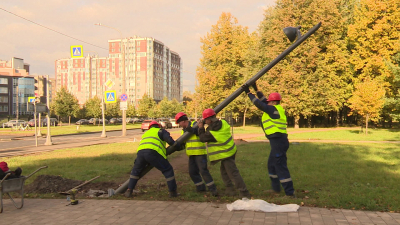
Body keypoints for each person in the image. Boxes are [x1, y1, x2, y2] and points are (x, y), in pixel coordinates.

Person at [243, 82, 295, 198]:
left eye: (269, 101)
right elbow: (263, 100)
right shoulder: (274, 108)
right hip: (278, 141)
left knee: (280, 166)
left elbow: (259, 104)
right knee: (271, 165)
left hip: (279, 142)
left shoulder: (273, 110)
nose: (267, 102)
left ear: (273, 102)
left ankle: (290, 193)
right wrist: (256, 89)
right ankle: (276, 189)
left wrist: (248, 93)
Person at [197, 108, 251, 198]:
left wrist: (201, 127)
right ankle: (230, 190)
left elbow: (202, 138)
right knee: (224, 172)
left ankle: (244, 192)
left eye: (206, 120)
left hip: (226, 153)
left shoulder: (212, 132)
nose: (205, 121)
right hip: (230, 150)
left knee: (233, 173)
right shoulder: (223, 123)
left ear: (209, 120)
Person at [125, 120, 179, 198]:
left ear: (149, 127)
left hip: (140, 153)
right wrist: (177, 145)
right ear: (159, 126)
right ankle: (173, 192)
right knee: (168, 170)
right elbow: (170, 141)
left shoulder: (146, 133)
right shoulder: (161, 131)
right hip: (153, 153)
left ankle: (129, 190)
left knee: (135, 172)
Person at [175, 112, 218, 196]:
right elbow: (183, 143)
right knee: (192, 172)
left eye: (179, 123)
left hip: (200, 153)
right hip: (191, 155)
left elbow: (200, 132)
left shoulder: (195, 124)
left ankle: (213, 189)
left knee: (203, 171)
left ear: (183, 121)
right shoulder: (183, 131)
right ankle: (200, 188)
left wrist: (191, 130)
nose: (179, 125)